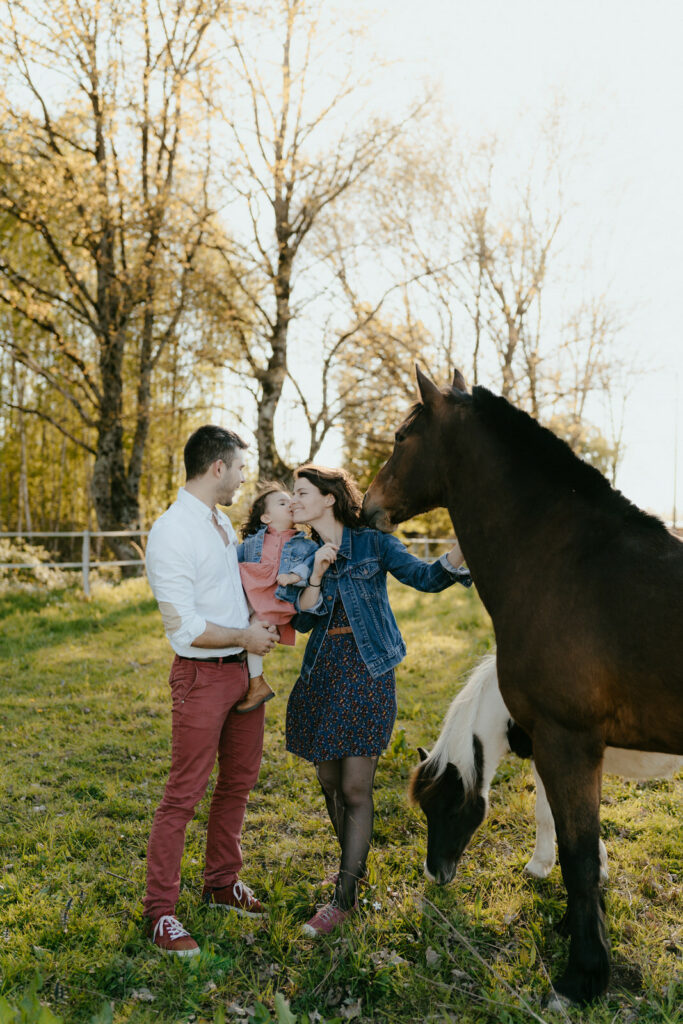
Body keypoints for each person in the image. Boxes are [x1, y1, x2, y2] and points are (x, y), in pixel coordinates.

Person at [286, 464, 472, 936]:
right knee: (329, 780)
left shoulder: (373, 543)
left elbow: (425, 577)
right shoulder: (304, 551)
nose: (294, 500)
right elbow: (304, 622)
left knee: (354, 788)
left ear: (329, 498)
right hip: (322, 673)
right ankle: (354, 867)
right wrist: (316, 573)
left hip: (368, 672)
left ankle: (344, 897)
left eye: (302, 492)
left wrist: (459, 552)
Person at [143, 425, 278, 957]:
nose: (246, 477)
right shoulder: (172, 531)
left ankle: (221, 882)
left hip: (243, 674)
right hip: (200, 676)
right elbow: (184, 628)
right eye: (241, 468)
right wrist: (245, 634)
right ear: (217, 468)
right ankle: (161, 913)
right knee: (183, 794)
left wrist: (257, 634)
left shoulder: (222, 521)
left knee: (239, 782)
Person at [234, 482, 318, 714]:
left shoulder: (306, 545)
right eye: (282, 503)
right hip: (254, 597)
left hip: (278, 602)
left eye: (290, 501)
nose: (290, 504)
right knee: (247, 625)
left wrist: (295, 575)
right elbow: (229, 560)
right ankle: (254, 679)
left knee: (255, 627)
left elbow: (310, 563)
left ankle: (256, 682)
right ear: (266, 518)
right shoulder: (252, 543)